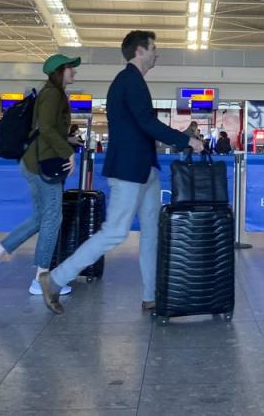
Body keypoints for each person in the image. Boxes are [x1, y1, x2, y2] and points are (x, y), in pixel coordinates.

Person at [37, 31, 202, 314]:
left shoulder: (131, 82)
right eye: (153, 48)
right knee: (114, 232)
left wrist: (182, 135)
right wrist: (186, 140)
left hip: (144, 168)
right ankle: (53, 279)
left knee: (152, 233)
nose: (156, 53)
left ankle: (152, 296)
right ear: (139, 51)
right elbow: (147, 123)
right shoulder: (129, 81)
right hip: (129, 170)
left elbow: (141, 126)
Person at [0, 54, 82, 300]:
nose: (74, 72)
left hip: (34, 162)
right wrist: (68, 152)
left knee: (41, 218)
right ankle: (41, 280)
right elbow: (45, 129)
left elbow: (47, 129)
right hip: (42, 165)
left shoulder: (51, 93)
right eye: (70, 69)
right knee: (53, 218)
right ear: (59, 71)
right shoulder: (53, 94)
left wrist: (68, 140)